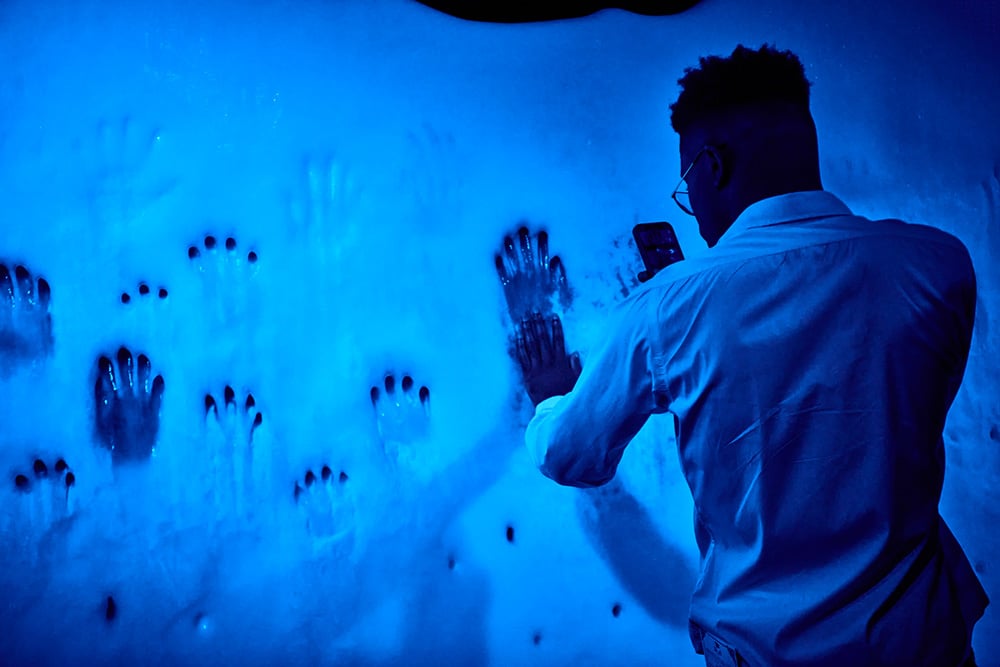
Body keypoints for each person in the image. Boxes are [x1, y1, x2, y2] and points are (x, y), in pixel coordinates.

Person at [517, 44, 989, 667]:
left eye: (687, 181)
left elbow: (572, 454)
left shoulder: (671, 308)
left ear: (711, 165)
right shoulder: (939, 265)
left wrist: (554, 395)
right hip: (926, 643)